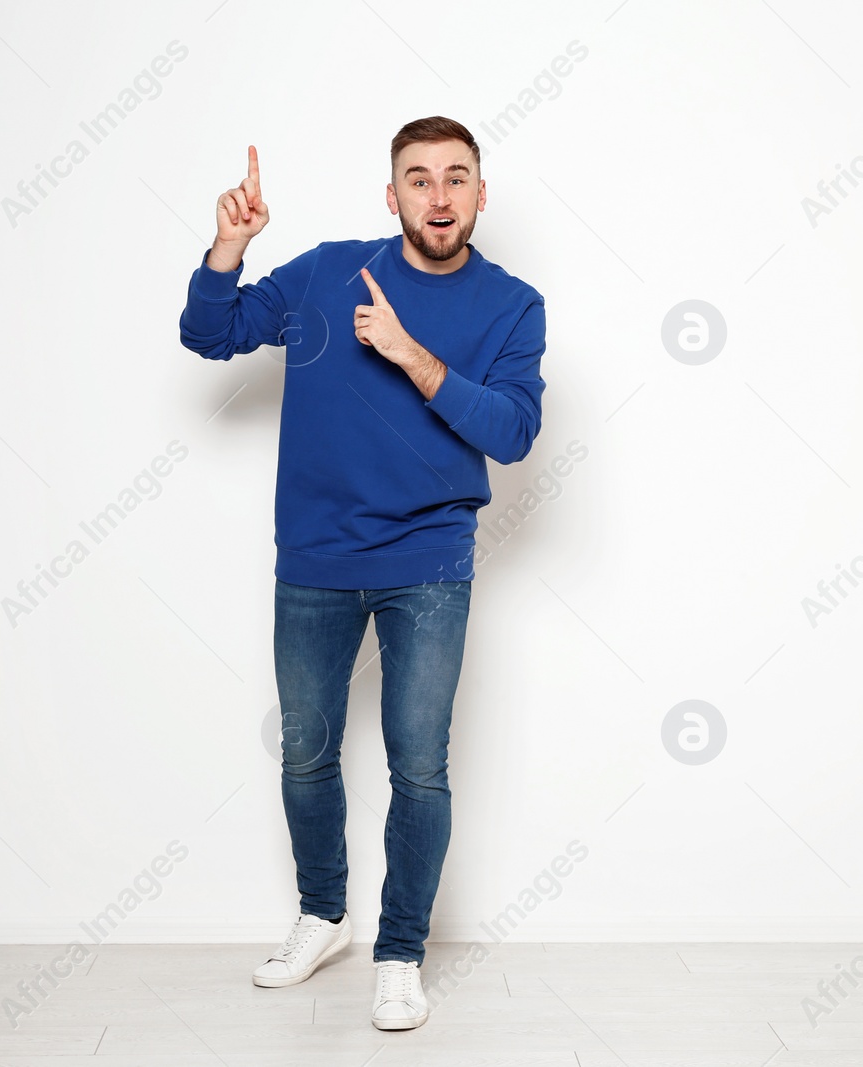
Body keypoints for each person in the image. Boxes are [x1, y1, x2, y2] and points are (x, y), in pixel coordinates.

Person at [177, 116, 546, 1031]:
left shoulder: (513, 303)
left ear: (480, 194)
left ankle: (400, 951)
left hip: (428, 562)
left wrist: (412, 355)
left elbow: (512, 430)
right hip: (315, 558)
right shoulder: (326, 272)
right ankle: (324, 913)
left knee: (419, 765)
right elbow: (208, 336)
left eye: (457, 178)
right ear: (393, 195)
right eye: (419, 179)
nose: (439, 195)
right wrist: (227, 249)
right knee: (305, 753)